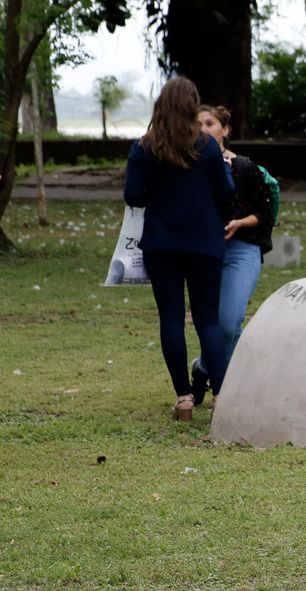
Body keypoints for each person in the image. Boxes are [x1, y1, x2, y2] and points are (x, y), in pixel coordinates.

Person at [124, 77, 234, 421]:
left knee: (170, 319)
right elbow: (227, 195)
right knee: (208, 321)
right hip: (204, 242)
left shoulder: (144, 147)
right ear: (192, 105)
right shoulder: (208, 146)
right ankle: (220, 396)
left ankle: (184, 399)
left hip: (162, 243)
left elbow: (133, 196)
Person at [189, 105, 276, 407]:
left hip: (242, 248)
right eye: (197, 124)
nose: (202, 129)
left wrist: (240, 222)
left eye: (210, 123)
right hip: (204, 251)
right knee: (212, 323)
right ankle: (230, 391)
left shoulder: (244, 167)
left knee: (230, 322)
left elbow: (265, 214)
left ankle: (204, 368)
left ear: (225, 130)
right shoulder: (187, 167)